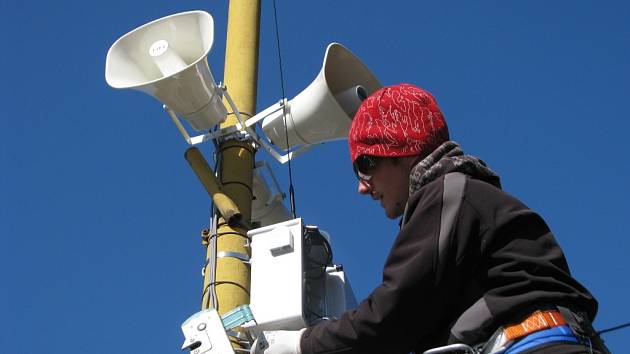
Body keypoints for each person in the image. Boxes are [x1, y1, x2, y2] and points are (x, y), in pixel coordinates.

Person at [252, 83, 611, 354]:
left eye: (365, 164)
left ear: (401, 150)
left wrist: (300, 344)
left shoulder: (448, 194)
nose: (363, 187)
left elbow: (392, 315)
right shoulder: (467, 202)